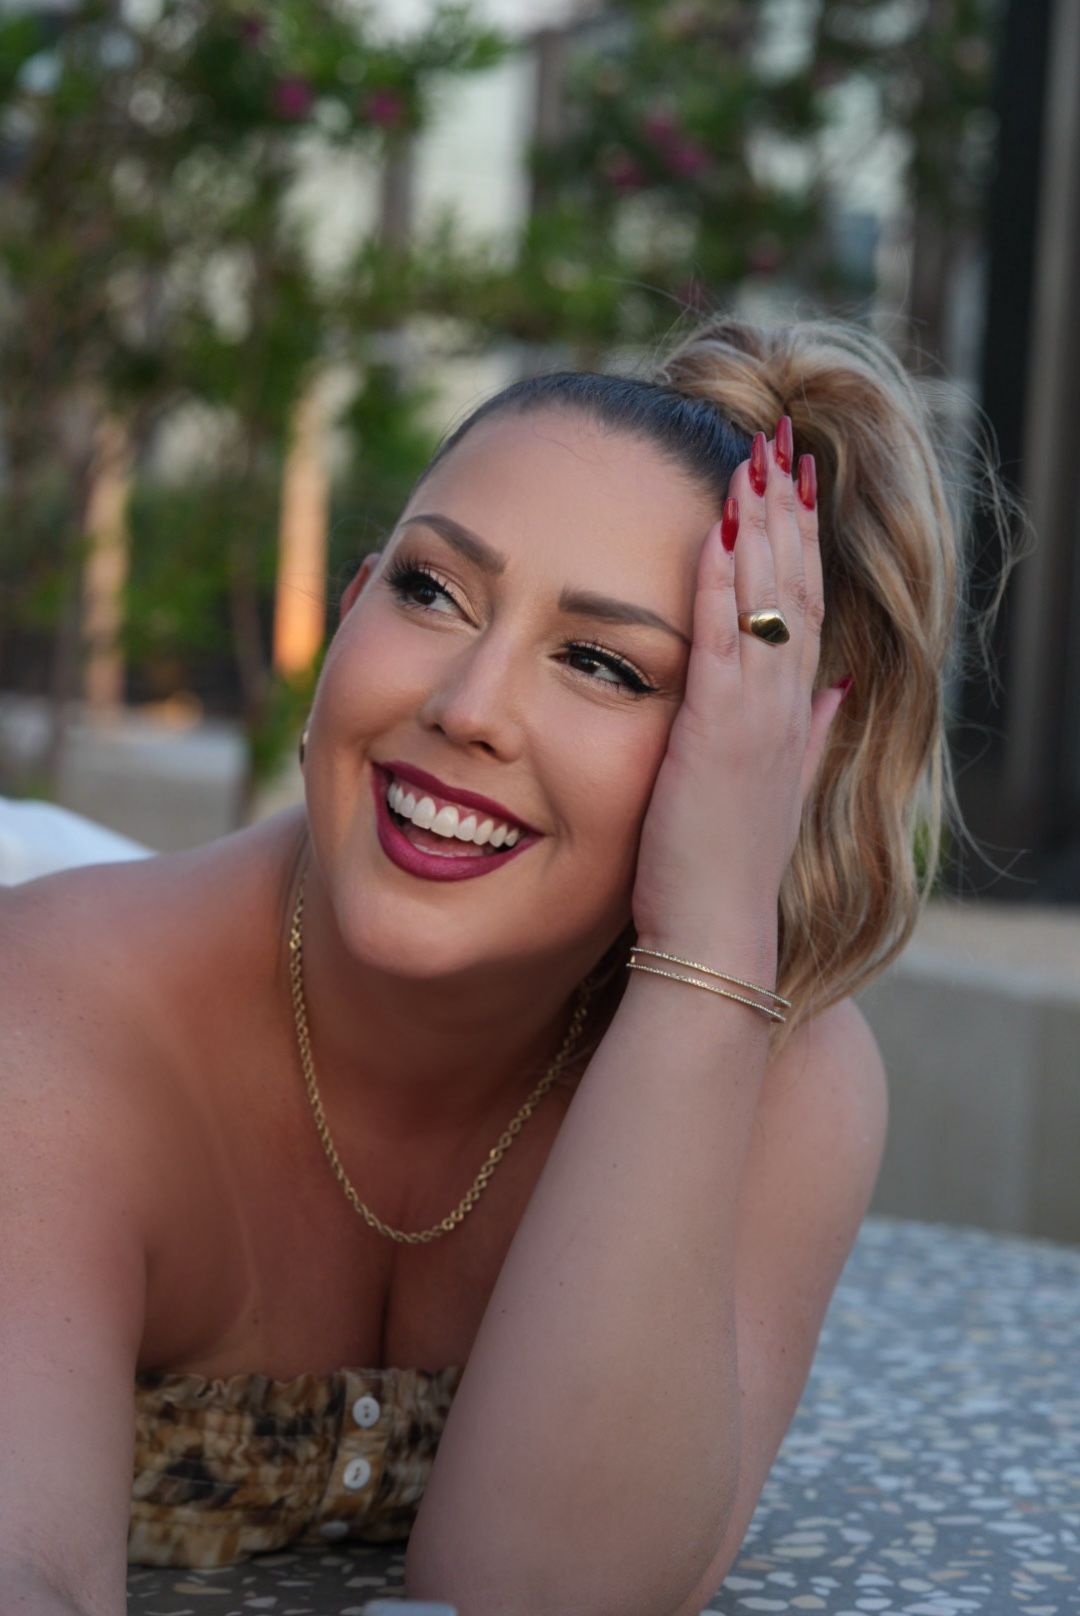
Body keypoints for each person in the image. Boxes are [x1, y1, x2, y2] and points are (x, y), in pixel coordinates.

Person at [0, 316, 1013, 1616]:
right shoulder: (56, 1016)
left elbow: (546, 1592)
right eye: (432, 591)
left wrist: (707, 954)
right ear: (353, 600)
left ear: (754, 753)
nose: (469, 705)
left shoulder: (779, 1077)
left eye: (602, 663)